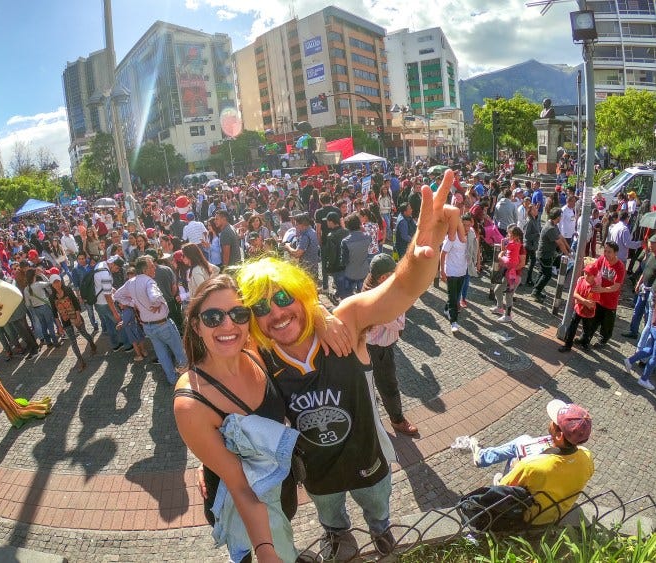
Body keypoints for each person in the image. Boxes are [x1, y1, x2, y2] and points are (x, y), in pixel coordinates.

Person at [236, 170, 461, 558]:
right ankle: (338, 536)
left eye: (284, 297)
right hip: (317, 473)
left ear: (303, 294)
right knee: (332, 518)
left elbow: (402, 289)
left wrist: (425, 244)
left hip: (368, 459)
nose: (276, 312)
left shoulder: (347, 321)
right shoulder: (260, 355)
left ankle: (381, 530)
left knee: (377, 508)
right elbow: (213, 379)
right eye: (260, 307)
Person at [173, 275, 298, 563]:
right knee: (242, 553)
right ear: (196, 325)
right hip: (233, 500)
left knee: (283, 528)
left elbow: (299, 321)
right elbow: (239, 486)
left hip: (280, 487)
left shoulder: (254, 351)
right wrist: (265, 550)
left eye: (238, 314)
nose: (228, 325)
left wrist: (327, 321)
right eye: (213, 317)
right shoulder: (191, 402)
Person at [470, 399, 593, 525]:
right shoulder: (587, 456)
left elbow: (501, 490)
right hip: (558, 512)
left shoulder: (530, 465)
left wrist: (517, 466)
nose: (551, 422)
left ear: (559, 436)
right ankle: (483, 457)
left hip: (532, 517)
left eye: (554, 422)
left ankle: (484, 458)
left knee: (515, 456)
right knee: (524, 440)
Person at [363, 254, 419, 436]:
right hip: (377, 349)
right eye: (392, 273)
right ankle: (397, 420)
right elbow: (398, 323)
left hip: (374, 346)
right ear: (382, 278)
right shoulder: (381, 299)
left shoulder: (374, 284)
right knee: (388, 385)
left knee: (372, 383)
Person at [114, 255, 188, 384]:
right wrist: (156, 303)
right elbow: (155, 297)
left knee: (162, 354)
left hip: (148, 326)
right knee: (179, 351)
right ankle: (186, 378)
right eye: (152, 266)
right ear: (145, 270)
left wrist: (133, 303)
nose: (155, 268)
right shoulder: (149, 282)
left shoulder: (131, 282)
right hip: (162, 324)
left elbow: (117, 295)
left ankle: (172, 379)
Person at [48, 274, 97, 372]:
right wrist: (59, 326)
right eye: (54, 283)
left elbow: (76, 303)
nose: (57, 284)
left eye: (58, 281)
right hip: (65, 320)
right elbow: (54, 313)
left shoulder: (68, 290)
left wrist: (78, 317)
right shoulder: (52, 297)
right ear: (52, 285)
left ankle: (92, 344)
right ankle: (81, 361)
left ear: (61, 281)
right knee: (73, 342)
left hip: (75, 316)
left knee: (84, 333)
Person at [586, 241, 626, 347]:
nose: (606, 254)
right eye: (605, 251)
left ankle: (602, 341)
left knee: (606, 324)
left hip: (610, 301)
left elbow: (616, 286)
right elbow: (594, 269)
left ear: (616, 253)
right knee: (593, 320)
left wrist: (602, 289)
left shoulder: (620, 267)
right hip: (598, 298)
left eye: (609, 252)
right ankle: (586, 337)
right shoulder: (602, 259)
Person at [558, 263, 599, 353]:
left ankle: (584, 343)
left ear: (594, 276)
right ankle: (568, 345)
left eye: (589, 274)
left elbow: (591, 304)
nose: (586, 275)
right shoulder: (581, 280)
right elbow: (575, 294)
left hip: (588, 313)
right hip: (578, 309)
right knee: (572, 327)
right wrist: (584, 301)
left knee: (587, 330)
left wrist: (580, 300)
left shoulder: (595, 288)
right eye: (585, 273)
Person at [532, 208, 569, 302]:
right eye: (560, 216)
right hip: (545, 255)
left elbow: (561, 237)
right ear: (557, 217)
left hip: (547, 254)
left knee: (542, 272)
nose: (561, 218)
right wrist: (567, 255)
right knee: (547, 275)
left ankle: (536, 290)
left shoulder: (553, 225)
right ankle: (536, 292)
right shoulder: (550, 228)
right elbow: (560, 243)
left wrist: (569, 249)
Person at [440, 222, 468, 333]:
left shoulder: (470, 236)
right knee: (453, 298)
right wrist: (442, 271)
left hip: (462, 271)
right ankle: (454, 322)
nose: (467, 228)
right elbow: (443, 253)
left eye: (469, 225)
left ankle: (446, 309)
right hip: (451, 272)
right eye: (464, 225)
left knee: (455, 295)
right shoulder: (452, 237)